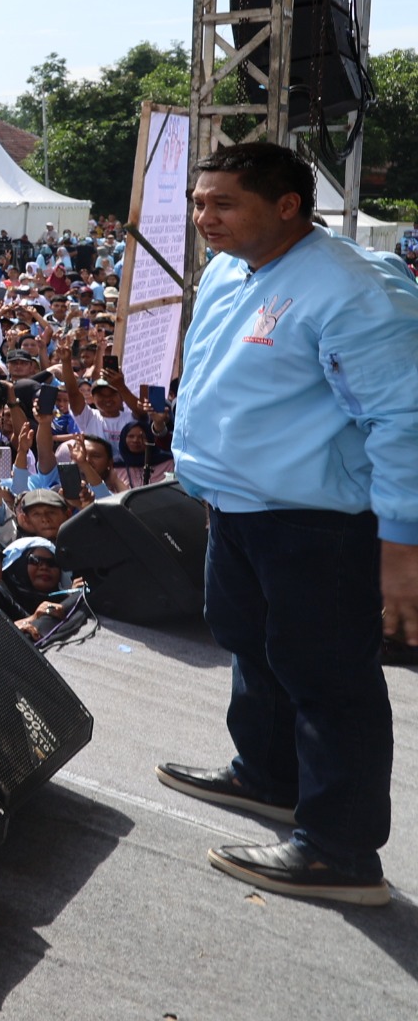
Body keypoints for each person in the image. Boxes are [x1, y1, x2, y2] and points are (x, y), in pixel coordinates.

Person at [157, 141, 418, 906]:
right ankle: (267, 777)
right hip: (239, 507)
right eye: (200, 202)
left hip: (319, 523)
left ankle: (339, 849)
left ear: (287, 206)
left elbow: (404, 420)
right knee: (250, 646)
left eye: (224, 203)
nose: (205, 217)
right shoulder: (227, 270)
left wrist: (403, 545)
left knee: (327, 678)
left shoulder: (354, 289)